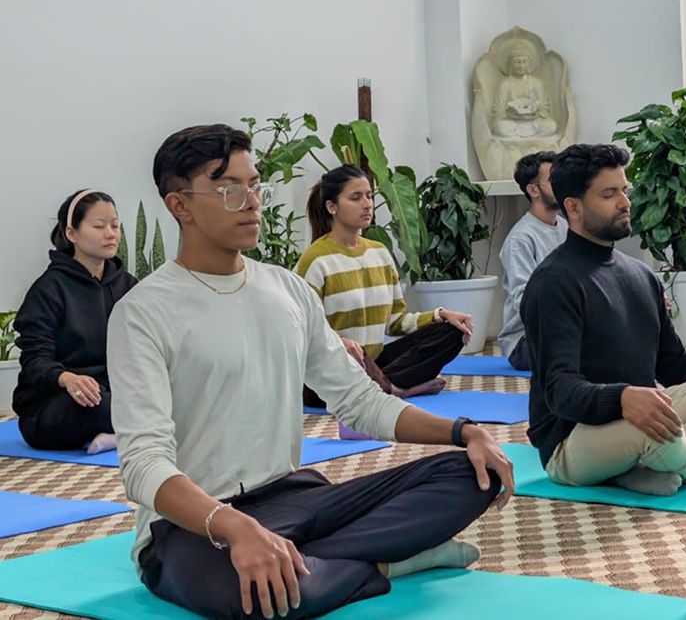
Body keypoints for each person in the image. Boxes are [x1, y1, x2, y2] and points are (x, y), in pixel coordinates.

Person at [108, 124, 514, 620]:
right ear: (180, 206)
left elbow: (360, 402)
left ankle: (319, 561)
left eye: (255, 185)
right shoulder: (142, 312)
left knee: (472, 472)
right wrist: (235, 528)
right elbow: (144, 465)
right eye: (230, 189)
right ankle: (383, 563)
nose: (252, 202)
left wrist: (463, 431)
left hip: (293, 499)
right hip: (194, 526)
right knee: (259, 601)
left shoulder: (287, 291)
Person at [522, 143, 686, 497]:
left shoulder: (640, 275)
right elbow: (560, 392)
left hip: (642, 413)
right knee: (653, 433)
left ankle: (664, 461)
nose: (625, 202)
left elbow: (675, 365)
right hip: (572, 440)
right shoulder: (553, 283)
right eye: (609, 194)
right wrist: (621, 399)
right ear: (573, 207)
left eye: (624, 190)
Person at [296, 165, 472, 403]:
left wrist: (440, 315)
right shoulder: (316, 260)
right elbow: (301, 329)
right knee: (353, 360)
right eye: (356, 198)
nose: (367, 204)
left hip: (375, 363)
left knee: (451, 331)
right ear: (332, 207)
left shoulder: (379, 253)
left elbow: (395, 323)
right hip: (331, 370)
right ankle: (395, 390)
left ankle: (380, 387)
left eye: (369, 195)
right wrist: (339, 342)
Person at [12, 189, 136, 455]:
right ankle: (125, 433)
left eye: (115, 225)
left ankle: (118, 435)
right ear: (72, 234)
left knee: (181, 398)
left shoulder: (127, 285)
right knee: (105, 406)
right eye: (99, 226)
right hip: (59, 404)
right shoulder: (49, 289)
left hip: (117, 393)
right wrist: (67, 379)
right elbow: (34, 360)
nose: (111, 233)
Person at [497, 151, 567, 371]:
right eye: (553, 180)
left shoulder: (566, 227)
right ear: (533, 190)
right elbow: (525, 300)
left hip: (566, 330)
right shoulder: (520, 239)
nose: (562, 185)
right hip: (525, 342)